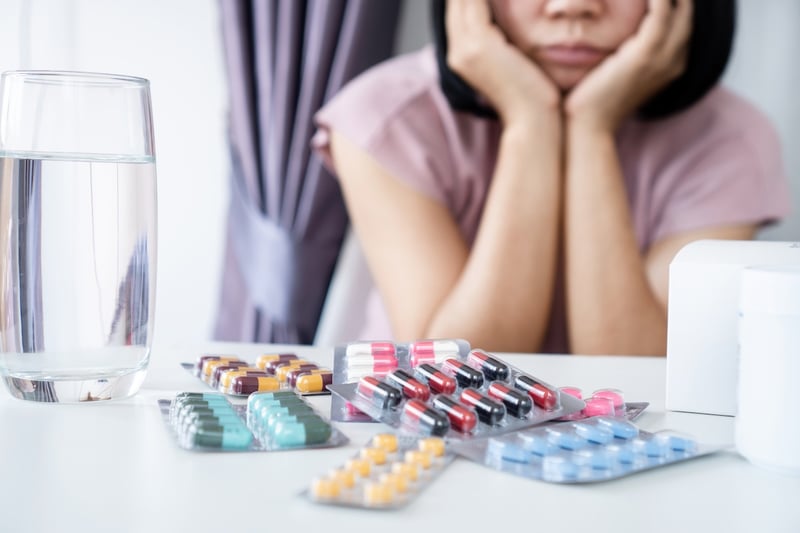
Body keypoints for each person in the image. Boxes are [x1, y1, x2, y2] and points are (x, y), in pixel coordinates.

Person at [311, 0, 791, 355]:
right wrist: (530, 120)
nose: (572, 7)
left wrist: (592, 128)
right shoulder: (388, 119)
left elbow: (635, 373)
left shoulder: (729, 140)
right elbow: (454, 372)